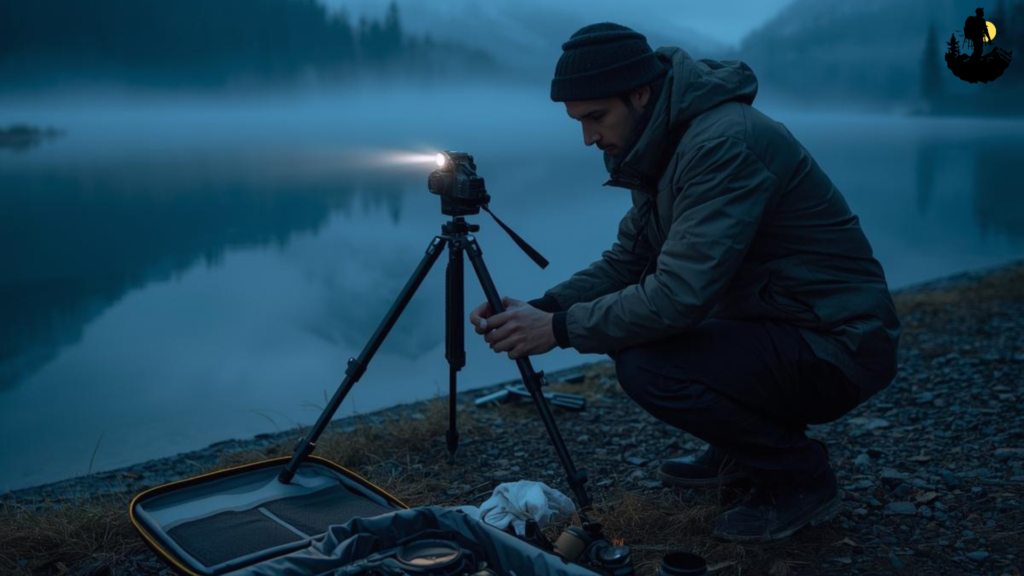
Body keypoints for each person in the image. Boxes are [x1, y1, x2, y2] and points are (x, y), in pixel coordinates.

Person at [468, 22, 900, 542]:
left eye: (596, 117)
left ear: (640, 93)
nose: (588, 138)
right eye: (578, 121)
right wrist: (543, 307)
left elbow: (678, 296)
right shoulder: (662, 142)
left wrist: (557, 329)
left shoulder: (723, 143)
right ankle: (741, 453)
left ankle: (800, 478)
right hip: (782, 322)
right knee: (641, 336)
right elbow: (630, 260)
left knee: (647, 363)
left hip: (839, 344)